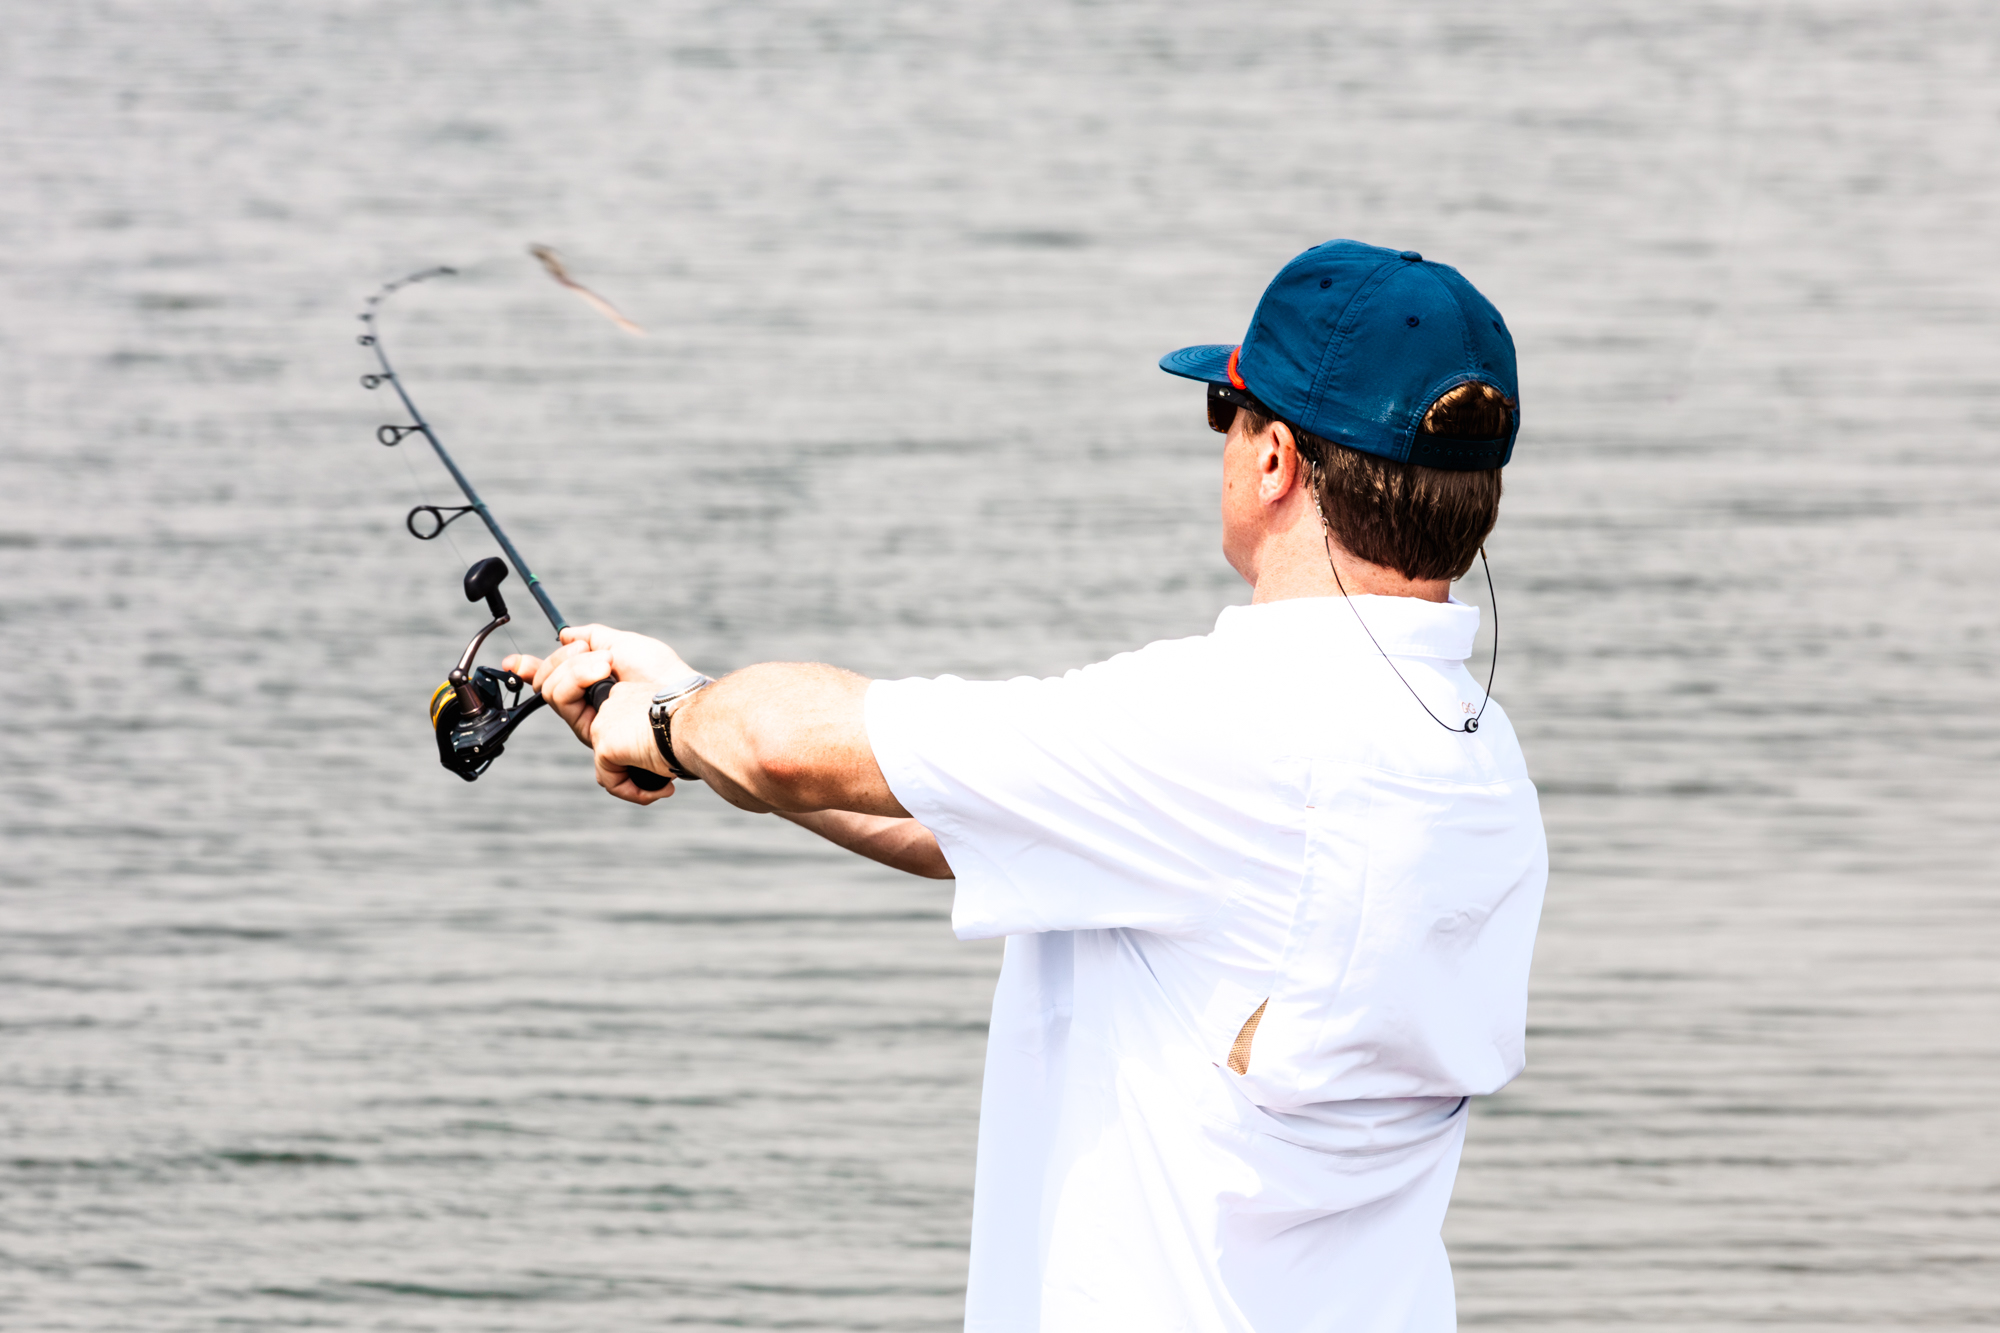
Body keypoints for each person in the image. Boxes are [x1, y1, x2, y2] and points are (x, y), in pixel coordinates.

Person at [504, 239, 1548, 1332]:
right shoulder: (1475, 761)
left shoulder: (1227, 725)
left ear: (1276, 458)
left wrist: (665, 724)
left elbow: (781, 742)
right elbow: (971, 828)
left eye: (1222, 416)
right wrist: (690, 699)